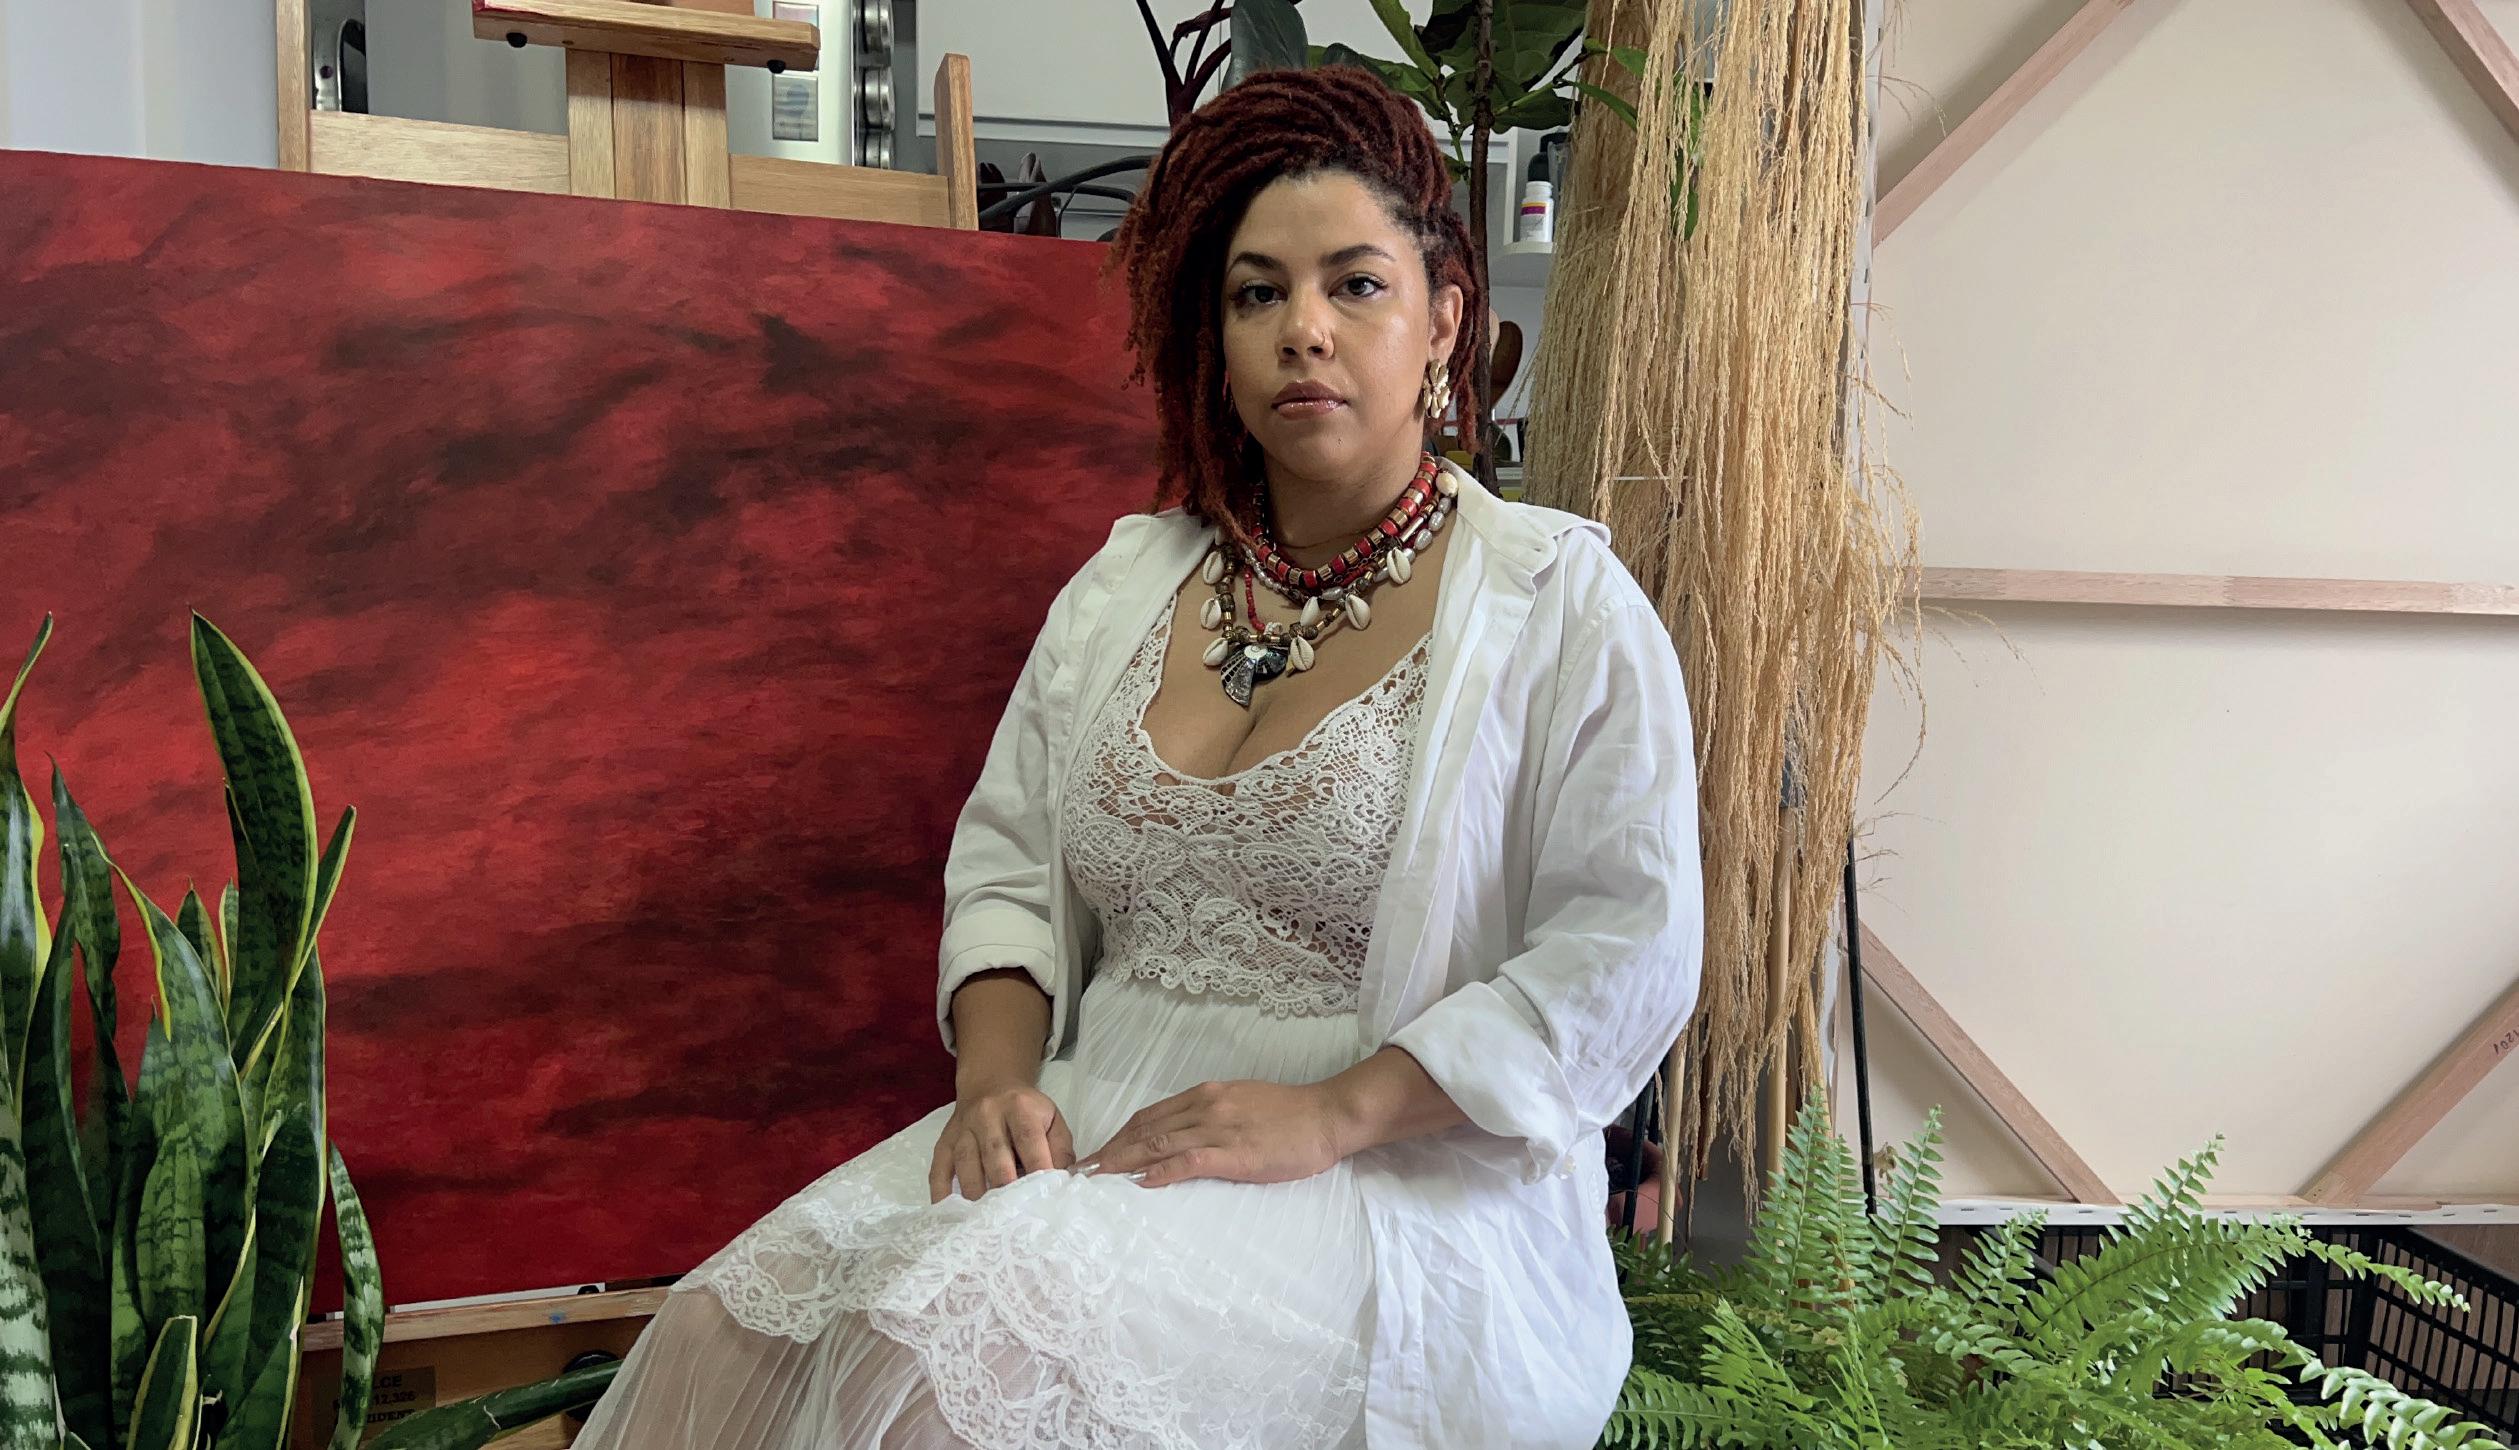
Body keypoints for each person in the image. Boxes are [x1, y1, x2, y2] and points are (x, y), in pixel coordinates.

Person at [571, 65, 1702, 1450]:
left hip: (1384, 1179)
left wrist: (1334, 1112)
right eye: (1257, 294)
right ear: (1215, 338)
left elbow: (1626, 955)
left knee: (933, 1382)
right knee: (717, 1336)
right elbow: (1006, 862)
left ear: (1446, 321)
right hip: (1081, 1114)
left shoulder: (1557, 604)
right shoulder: (1129, 583)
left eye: (1356, 285)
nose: (1304, 330)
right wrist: (994, 1086)